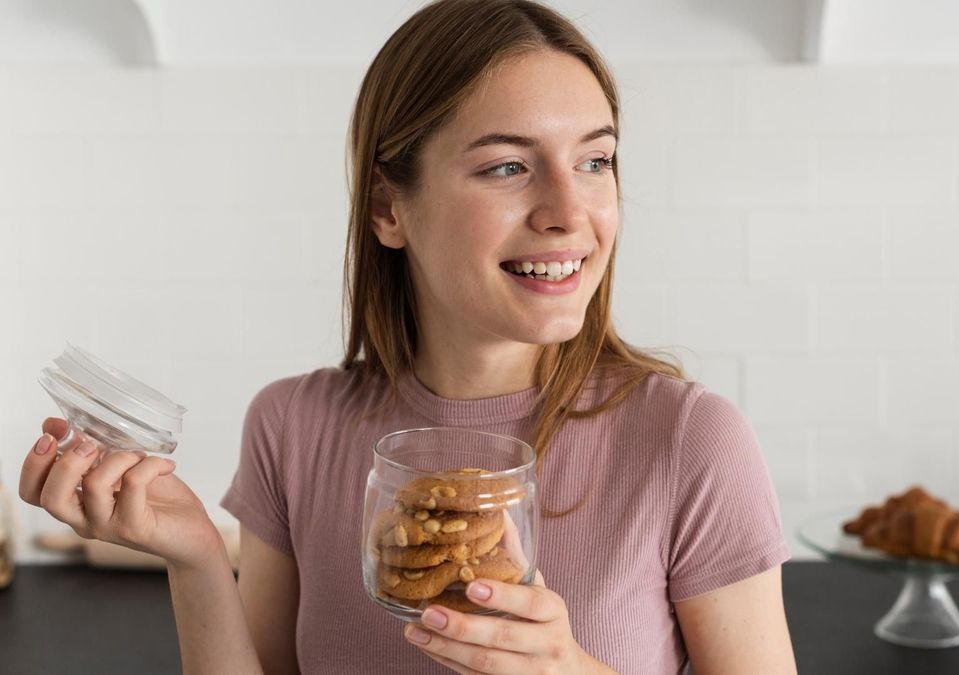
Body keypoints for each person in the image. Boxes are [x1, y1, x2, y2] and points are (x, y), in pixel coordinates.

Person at [17, 0, 797, 672]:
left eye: (596, 160)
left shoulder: (689, 440)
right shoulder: (294, 425)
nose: (571, 210)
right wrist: (191, 558)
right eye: (507, 168)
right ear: (390, 209)